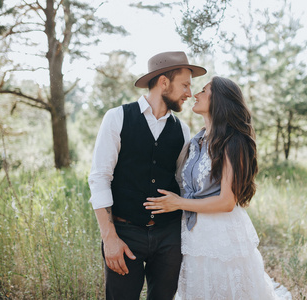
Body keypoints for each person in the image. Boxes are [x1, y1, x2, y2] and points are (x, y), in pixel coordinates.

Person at [144, 76, 292, 299]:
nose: (196, 94)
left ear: (219, 100)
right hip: (192, 236)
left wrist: (177, 203)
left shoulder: (234, 142)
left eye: (204, 90)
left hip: (221, 237)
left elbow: (226, 201)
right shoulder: (196, 141)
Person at [88, 51, 206, 300]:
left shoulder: (182, 130)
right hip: (124, 233)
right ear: (164, 82)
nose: (189, 92)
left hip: (168, 237)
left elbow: (185, 182)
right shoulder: (117, 117)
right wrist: (109, 238)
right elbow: (99, 178)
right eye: (184, 85)